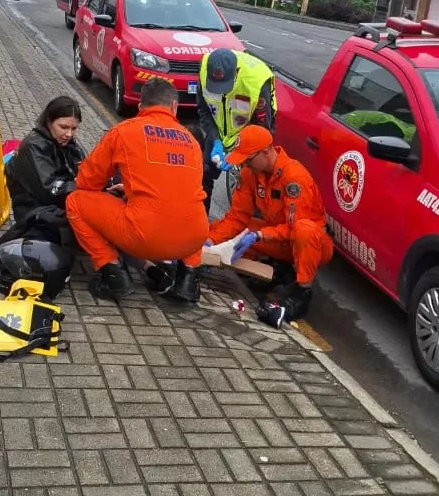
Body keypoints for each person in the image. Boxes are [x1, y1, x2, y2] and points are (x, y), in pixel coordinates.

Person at [66, 79, 209, 301]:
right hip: (194, 238)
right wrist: (133, 189)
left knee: (75, 201)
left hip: (146, 238)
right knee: (188, 207)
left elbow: (87, 182)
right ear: (174, 107)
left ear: (141, 107)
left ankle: (113, 273)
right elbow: (179, 188)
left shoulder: (123, 132)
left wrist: (117, 194)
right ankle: (188, 282)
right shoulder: (191, 139)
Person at [205, 124, 333, 328]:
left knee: (304, 231)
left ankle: (302, 292)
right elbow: (237, 217)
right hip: (278, 238)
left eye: (248, 159)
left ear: (266, 151)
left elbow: (293, 228)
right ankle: (277, 269)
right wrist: (210, 241)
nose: (245, 164)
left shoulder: (294, 177)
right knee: (220, 228)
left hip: (309, 243)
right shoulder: (250, 174)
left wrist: (259, 235)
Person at [196, 48, 277, 213]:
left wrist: (237, 152)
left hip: (249, 135)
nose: (220, 91)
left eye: (224, 86)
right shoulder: (204, 70)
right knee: (203, 176)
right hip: (219, 132)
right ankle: (202, 225)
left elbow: (262, 130)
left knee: (252, 183)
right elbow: (204, 111)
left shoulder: (257, 82)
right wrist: (215, 139)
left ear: (237, 72)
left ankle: (253, 227)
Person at [4, 96, 86, 226]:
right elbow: (50, 190)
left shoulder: (67, 143)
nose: (69, 134)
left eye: (74, 128)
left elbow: (85, 168)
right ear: (49, 122)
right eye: (63, 127)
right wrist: (84, 185)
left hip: (61, 203)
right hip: (37, 212)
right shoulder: (34, 146)